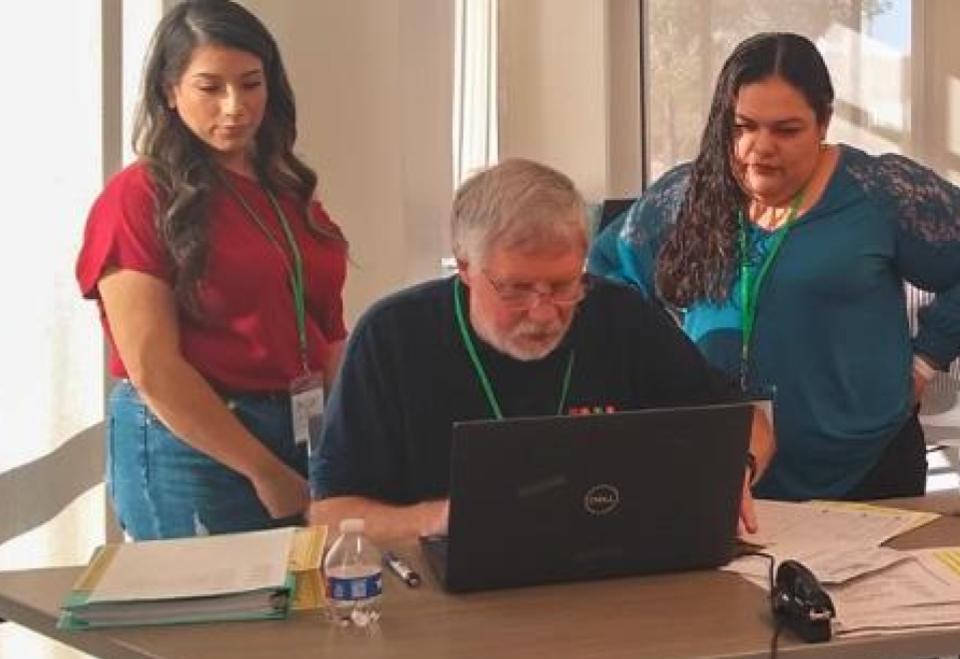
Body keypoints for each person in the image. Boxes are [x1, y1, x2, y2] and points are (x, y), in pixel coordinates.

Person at [76, 1, 347, 659]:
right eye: (211, 86)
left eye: (251, 83)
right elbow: (154, 370)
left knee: (295, 652)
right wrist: (263, 470)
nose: (236, 107)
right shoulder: (137, 199)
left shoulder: (288, 188)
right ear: (170, 90)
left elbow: (327, 327)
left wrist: (343, 445)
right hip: (189, 442)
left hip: (294, 428)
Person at [309, 158, 772, 541]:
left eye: (564, 284)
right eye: (516, 289)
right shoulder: (392, 338)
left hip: (606, 581)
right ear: (466, 265)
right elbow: (331, 515)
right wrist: (445, 519)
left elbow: (748, 420)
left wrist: (737, 470)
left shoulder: (620, 315)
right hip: (448, 599)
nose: (544, 312)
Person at [589, 32, 960, 502]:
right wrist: (660, 370)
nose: (760, 147)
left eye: (786, 130)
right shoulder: (686, 194)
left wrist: (926, 360)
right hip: (724, 465)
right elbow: (606, 273)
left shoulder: (879, 190)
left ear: (823, 122)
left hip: (869, 467)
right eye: (744, 126)